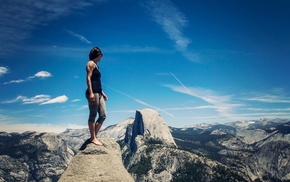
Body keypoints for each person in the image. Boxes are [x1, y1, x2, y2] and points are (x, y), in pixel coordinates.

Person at [86, 47, 108, 146]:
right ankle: (93, 138)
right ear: (97, 55)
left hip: (98, 93)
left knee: (103, 115)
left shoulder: (96, 65)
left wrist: (102, 93)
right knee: (93, 115)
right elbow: (89, 78)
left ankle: (94, 136)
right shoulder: (90, 63)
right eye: (101, 55)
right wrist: (91, 93)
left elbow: (97, 81)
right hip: (93, 93)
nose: (101, 57)